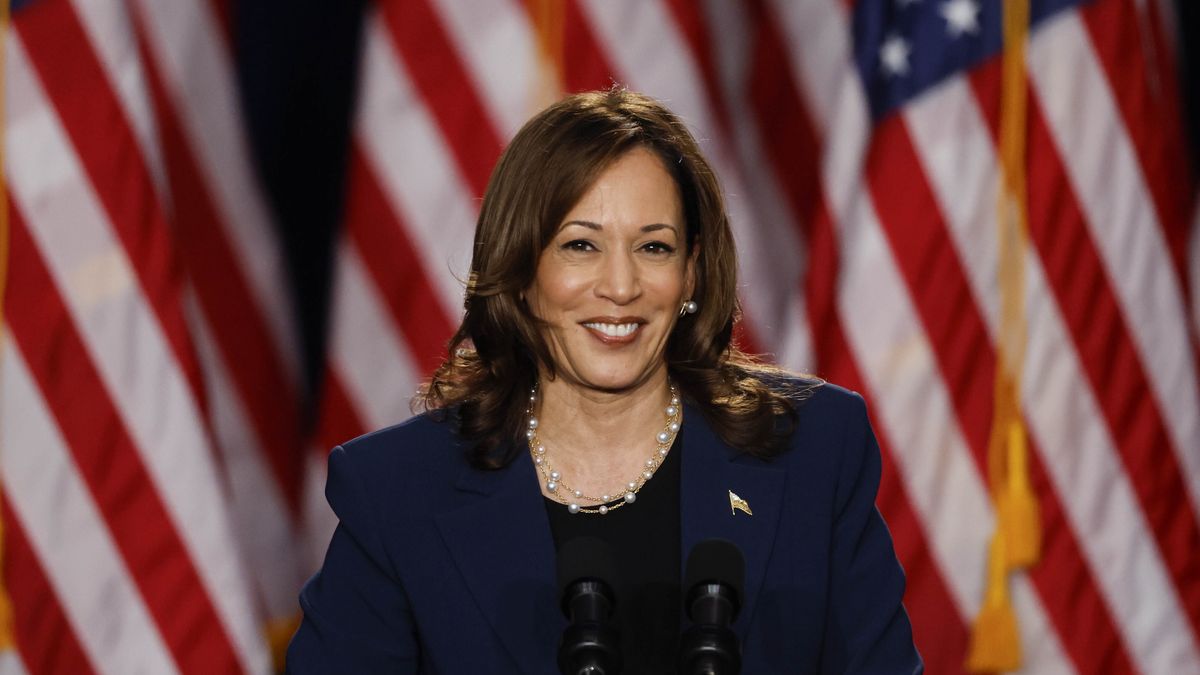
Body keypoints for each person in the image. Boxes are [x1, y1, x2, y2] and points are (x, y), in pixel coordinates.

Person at [287, 88, 922, 674]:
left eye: (654, 247)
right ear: (521, 267)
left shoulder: (812, 451)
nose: (621, 288)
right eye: (580, 246)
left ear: (693, 273)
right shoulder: (399, 492)